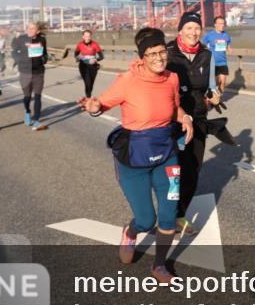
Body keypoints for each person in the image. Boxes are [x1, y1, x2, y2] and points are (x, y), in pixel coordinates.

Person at [78, 27, 195, 282]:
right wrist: (94, 106)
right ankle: (131, 232)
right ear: (142, 57)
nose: (159, 58)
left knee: (169, 214)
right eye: (152, 53)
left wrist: (185, 117)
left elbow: (174, 107)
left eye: (162, 52)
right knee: (146, 219)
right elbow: (101, 104)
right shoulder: (127, 80)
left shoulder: (172, 78)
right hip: (134, 158)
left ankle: (159, 265)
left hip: (167, 154)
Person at [166, 12, 234, 238]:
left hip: (198, 117)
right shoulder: (168, 53)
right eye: (189, 28)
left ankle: (180, 214)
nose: (193, 32)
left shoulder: (207, 54)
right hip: (173, 117)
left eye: (197, 28)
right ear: (180, 31)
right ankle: (169, 214)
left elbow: (210, 86)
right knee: (174, 169)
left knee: (193, 169)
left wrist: (214, 96)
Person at [12, 22, 49, 129]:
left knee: (37, 96)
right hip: (25, 72)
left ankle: (36, 120)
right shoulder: (21, 38)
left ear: (37, 31)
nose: (30, 30)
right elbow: (14, 51)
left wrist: (44, 59)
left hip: (38, 72)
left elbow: (44, 53)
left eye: (32, 29)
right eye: (28, 28)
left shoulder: (42, 39)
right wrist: (19, 59)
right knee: (27, 97)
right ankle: (28, 111)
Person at [201, 15, 231, 97]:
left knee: (223, 82)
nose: (222, 25)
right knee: (217, 82)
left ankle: (219, 98)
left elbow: (228, 43)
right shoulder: (210, 35)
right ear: (215, 25)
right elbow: (201, 44)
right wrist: (205, 52)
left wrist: (229, 49)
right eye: (220, 23)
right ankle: (213, 97)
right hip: (212, 62)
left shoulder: (226, 35)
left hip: (223, 62)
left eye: (223, 23)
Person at [73, 29, 105, 97]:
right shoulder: (80, 44)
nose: (87, 38)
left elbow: (101, 56)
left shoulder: (95, 44)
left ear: (91, 36)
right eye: (86, 36)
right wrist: (78, 58)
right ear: (83, 37)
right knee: (87, 83)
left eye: (89, 36)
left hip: (93, 66)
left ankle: (88, 97)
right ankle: (88, 98)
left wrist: (95, 59)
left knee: (91, 84)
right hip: (83, 66)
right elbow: (76, 54)